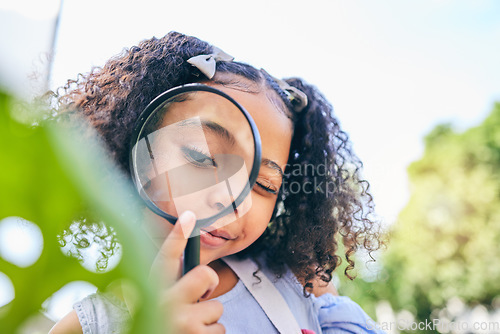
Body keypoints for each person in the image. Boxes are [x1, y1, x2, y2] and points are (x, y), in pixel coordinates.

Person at [49, 31, 385, 334]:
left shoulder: (301, 283)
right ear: (133, 147)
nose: (233, 199)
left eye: (266, 185)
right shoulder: (89, 326)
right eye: (201, 157)